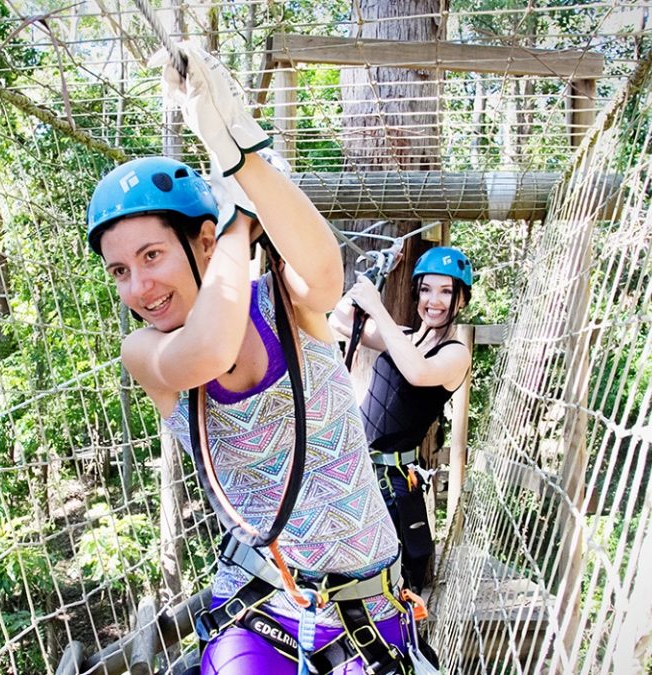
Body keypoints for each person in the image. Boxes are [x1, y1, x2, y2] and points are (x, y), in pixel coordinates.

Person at [87, 41, 433, 675]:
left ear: (201, 241)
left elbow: (325, 276)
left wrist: (241, 162)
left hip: (367, 611)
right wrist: (242, 227)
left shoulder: (281, 304)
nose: (138, 287)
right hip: (258, 607)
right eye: (120, 270)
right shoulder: (147, 351)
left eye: (152, 256)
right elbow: (209, 350)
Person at [329, 246, 473, 592]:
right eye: (425, 289)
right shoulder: (405, 337)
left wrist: (377, 305)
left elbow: (417, 371)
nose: (433, 300)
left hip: (392, 482)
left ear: (462, 300)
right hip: (358, 469)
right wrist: (379, 272)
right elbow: (339, 320)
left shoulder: (455, 353)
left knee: (392, 579)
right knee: (346, 567)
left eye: (446, 291)